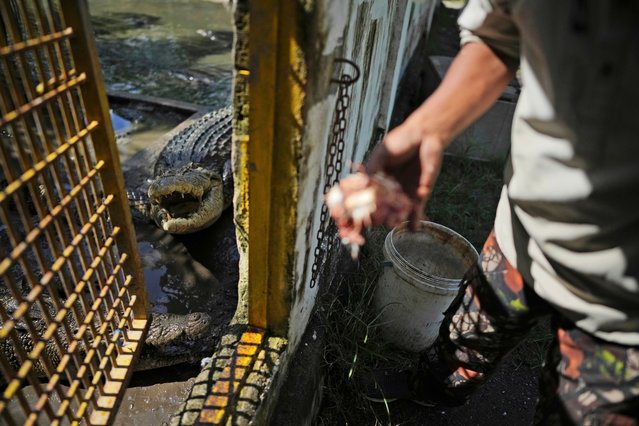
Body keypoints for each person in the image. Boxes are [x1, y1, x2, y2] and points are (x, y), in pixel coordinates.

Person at [360, 1, 639, 424]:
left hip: (622, 311)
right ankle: (428, 393)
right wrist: (431, 127)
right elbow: (499, 32)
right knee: (464, 338)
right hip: (521, 227)